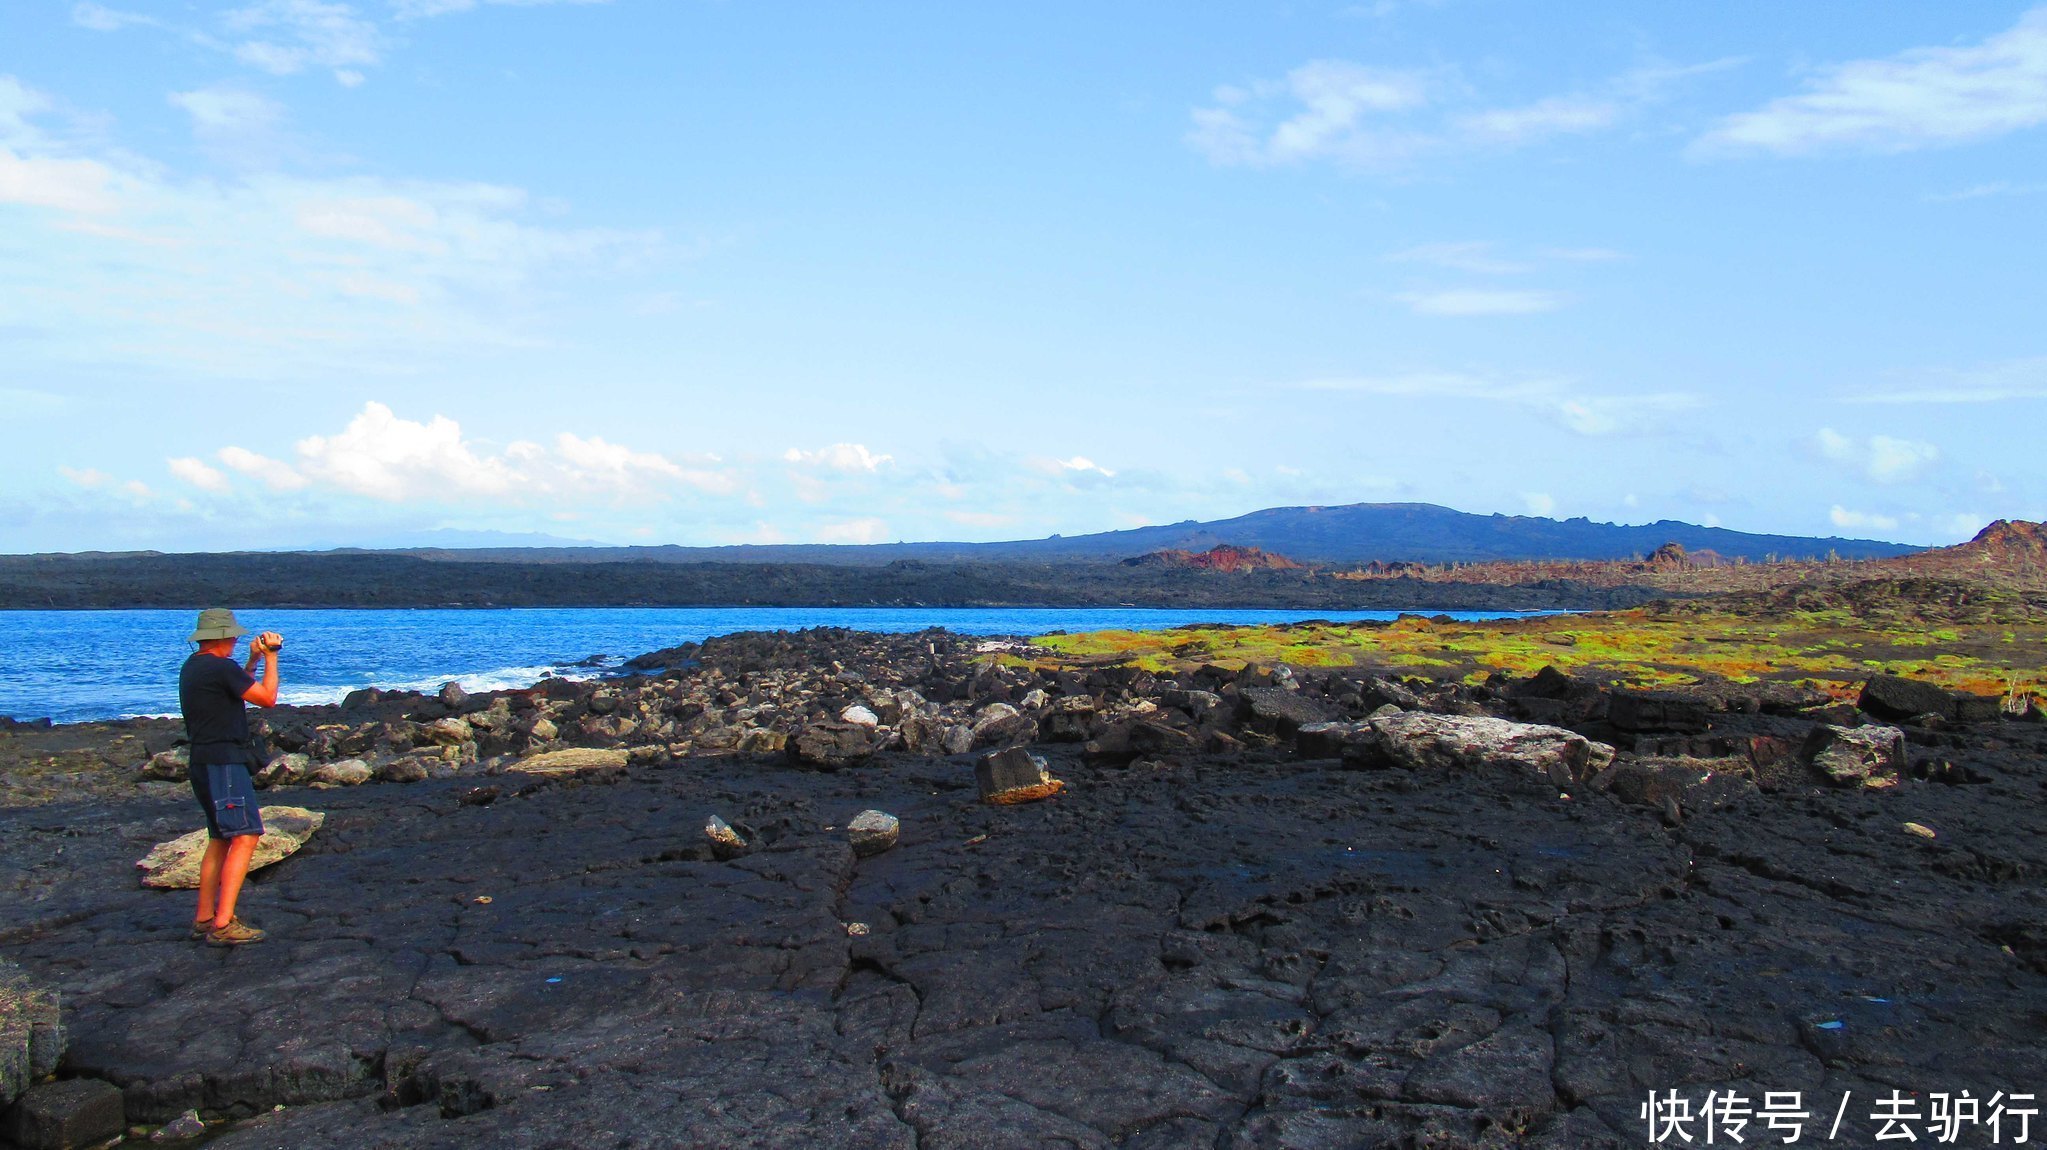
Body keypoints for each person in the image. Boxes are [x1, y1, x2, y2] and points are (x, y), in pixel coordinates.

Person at [178, 608, 284, 947]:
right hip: (224, 762)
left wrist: (251, 661)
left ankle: (204, 917)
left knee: (220, 837)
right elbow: (266, 698)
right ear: (224, 636)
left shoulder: (195, 667)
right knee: (246, 835)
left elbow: (236, 687)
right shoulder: (221, 668)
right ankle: (223, 924)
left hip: (202, 761)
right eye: (233, 635)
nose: (237, 639)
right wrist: (271, 658)